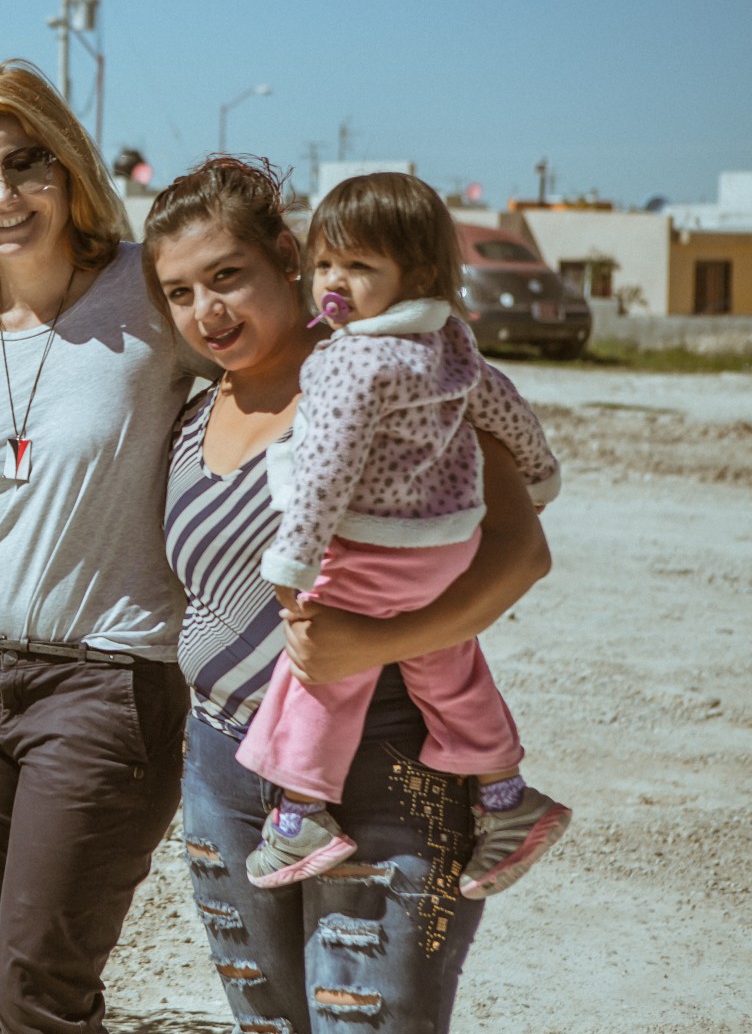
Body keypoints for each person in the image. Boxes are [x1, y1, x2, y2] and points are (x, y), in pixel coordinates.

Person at [145, 155, 555, 1031]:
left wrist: (364, 646)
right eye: (179, 293)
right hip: (223, 767)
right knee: (270, 1021)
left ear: (289, 260)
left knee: (366, 1023)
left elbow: (520, 555)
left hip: (383, 762)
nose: (207, 312)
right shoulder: (189, 412)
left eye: (227, 277)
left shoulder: (393, 375)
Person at [0, 59, 204, 1033]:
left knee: (34, 990)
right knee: (30, 985)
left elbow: (279, 356)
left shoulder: (150, 293)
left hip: (107, 685)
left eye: (27, 166)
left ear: (70, 169)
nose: (3, 196)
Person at [236, 172, 571, 896]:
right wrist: (540, 477)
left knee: (322, 667)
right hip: (444, 548)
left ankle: (301, 812)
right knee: (444, 660)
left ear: (413, 274)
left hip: (371, 545)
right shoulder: (450, 341)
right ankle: (507, 796)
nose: (336, 283)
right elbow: (506, 410)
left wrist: (293, 557)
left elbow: (326, 468)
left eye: (361, 268)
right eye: (327, 263)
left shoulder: (349, 361)